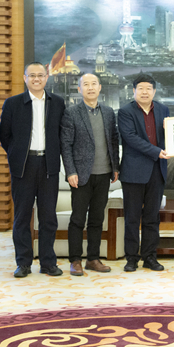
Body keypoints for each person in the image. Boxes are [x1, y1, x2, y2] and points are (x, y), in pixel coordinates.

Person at [0, 62, 65, 278]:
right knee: (22, 216)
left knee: (48, 217)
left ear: (47, 78)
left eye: (40, 75)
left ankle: (48, 262)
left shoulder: (57, 103)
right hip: (24, 166)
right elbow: (4, 135)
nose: (36, 79)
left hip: (49, 166)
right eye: (32, 75)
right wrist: (17, 154)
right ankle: (23, 263)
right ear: (25, 78)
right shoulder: (13, 103)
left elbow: (62, 134)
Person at [60, 73, 120, 276]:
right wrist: (70, 171)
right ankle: (75, 260)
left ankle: (93, 259)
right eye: (86, 84)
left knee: (97, 219)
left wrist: (115, 167)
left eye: (94, 84)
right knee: (78, 219)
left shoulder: (109, 112)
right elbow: (66, 145)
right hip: (80, 176)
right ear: (80, 89)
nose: (90, 87)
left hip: (104, 174)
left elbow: (114, 140)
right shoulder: (72, 113)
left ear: (100, 87)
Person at [118, 74, 170, 272]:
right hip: (133, 171)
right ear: (134, 91)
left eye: (149, 88)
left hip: (157, 170)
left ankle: (150, 257)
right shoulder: (125, 111)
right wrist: (157, 151)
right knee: (132, 218)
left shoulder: (163, 110)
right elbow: (130, 138)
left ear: (154, 91)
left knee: (152, 217)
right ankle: (131, 258)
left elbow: (170, 137)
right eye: (141, 88)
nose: (145, 92)